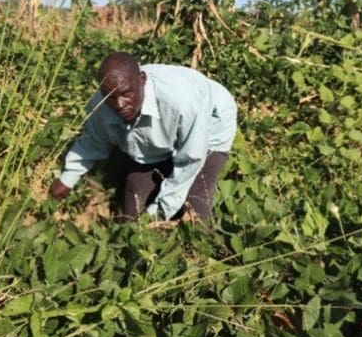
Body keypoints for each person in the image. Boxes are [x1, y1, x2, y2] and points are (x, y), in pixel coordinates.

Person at [49, 52, 237, 221]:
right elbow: (93, 141)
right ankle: (129, 242)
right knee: (135, 186)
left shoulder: (181, 103)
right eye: (111, 97)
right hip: (165, 129)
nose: (119, 104)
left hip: (212, 120)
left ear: (142, 80)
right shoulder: (100, 104)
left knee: (196, 201)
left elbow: (190, 159)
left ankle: (197, 252)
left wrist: (159, 212)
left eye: (126, 94)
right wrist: (67, 179)